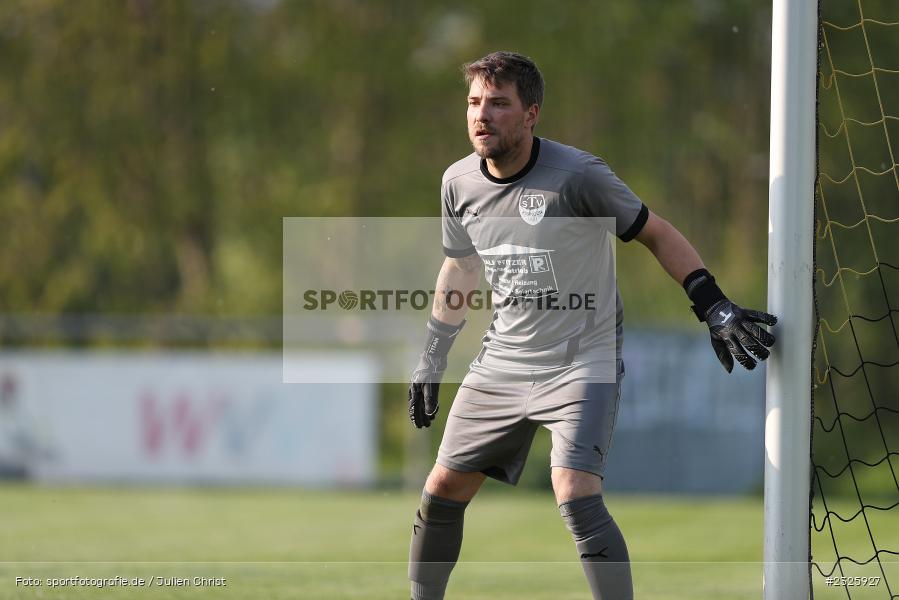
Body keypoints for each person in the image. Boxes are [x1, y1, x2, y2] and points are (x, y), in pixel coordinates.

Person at [406, 51, 776, 600]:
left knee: (574, 492)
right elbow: (460, 266)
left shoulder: (578, 176)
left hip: (582, 361)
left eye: (499, 103)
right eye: (474, 102)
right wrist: (433, 355)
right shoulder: (457, 182)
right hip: (501, 362)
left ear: (531, 114)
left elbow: (656, 232)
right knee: (440, 490)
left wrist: (713, 303)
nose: (481, 115)